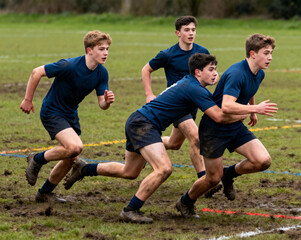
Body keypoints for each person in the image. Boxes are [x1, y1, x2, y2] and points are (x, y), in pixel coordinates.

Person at [64, 53, 247, 224]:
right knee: (164, 169)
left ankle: (84, 169)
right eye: (211, 70)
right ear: (198, 72)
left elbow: (221, 110)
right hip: (144, 124)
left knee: (129, 171)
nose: (216, 74)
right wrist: (250, 110)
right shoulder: (194, 88)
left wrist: (239, 109)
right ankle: (130, 210)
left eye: (216, 69)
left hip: (139, 121)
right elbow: (218, 116)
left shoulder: (193, 85)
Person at [175, 34, 278, 218]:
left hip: (235, 126)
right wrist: (256, 108)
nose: (270, 57)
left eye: (271, 53)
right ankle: (185, 202)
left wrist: (252, 111)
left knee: (263, 161)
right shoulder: (237, 73)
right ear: (253, 54)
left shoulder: (259, 72)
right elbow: (227, 106)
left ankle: (229, 174)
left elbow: (249, 90)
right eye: (266, 53)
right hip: (215, 129)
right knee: (212, 178)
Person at [20, 30, 115, 203]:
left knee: (70, 158)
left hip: (70, 114)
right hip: (52, 111)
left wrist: (107, 101)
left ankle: (45, 193)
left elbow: (102, 105)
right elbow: (36, 72)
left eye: (107, 49)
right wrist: (28, 100)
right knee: (75, 148)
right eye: (101, 49)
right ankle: (37, 159)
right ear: (89, 50)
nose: (106, 53)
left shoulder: (102, 73)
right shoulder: (69, 65)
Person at [140, 16, 212, 183]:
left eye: (193, 30)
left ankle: (144, 146)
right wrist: (149, 94)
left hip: (194, 105)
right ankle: (203, 180)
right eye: (186, 30)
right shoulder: (167, 54)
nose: (191, 33)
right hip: (176, 106)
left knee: (174, 143)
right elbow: (146, 70)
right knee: (195, 138)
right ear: (178, 33)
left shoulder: (203, 53)